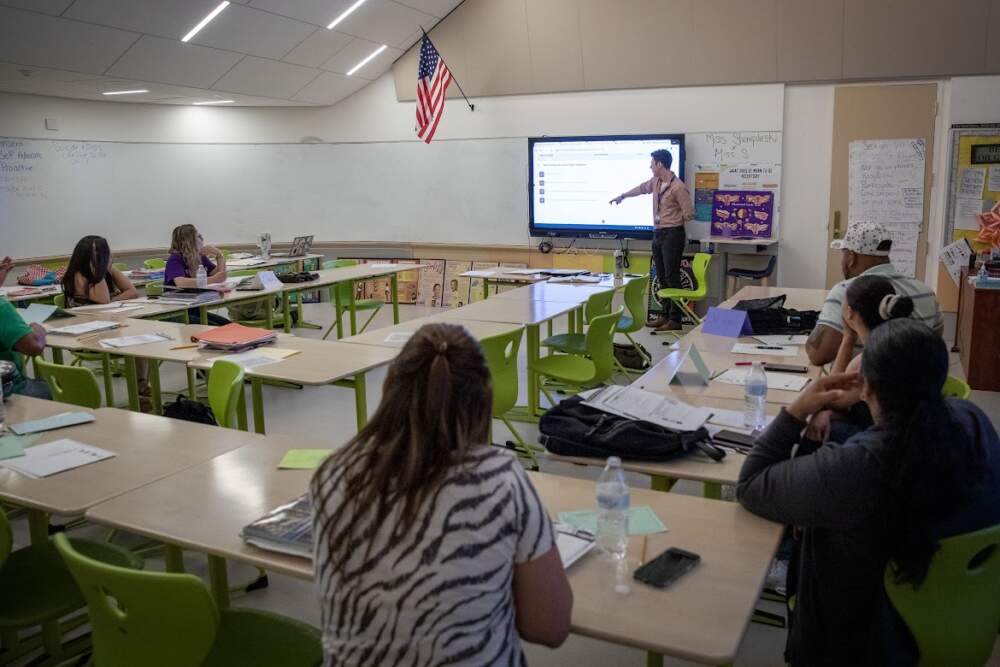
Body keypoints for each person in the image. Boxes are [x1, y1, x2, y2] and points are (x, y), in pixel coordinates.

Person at [738, 319, 1000, 665]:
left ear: (867, 386)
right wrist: (852, 407)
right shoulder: (973, 419)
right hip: (963, 619)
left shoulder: (860, 466)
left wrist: (797, 410)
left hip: (865, 639)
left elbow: (751, 483)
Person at [311, 323, 572, 665]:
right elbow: (549, 629)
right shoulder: (501, 480)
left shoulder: (333, 473)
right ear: (483, 402)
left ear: (390, 389)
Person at [806, 222, 943, 367]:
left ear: (851, 257)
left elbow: (818, 356)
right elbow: (935, 340)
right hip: (918, 384)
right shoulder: (926, 291)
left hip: (861, 384)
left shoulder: (846, 291)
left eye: (843, 253)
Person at [806, 275, 914, 442]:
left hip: (884, 442)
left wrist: (847, 337)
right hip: (909, 432)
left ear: (849, 312)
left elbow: (833, 395)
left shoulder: (869, 360)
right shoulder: (897, 342)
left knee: (812, 429)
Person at [61, 236, 151, 409]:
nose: (107, 256)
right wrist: (103, 272)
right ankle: (141, 389)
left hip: (107, 328)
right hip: (88, 337)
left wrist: (110, 271)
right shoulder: (80, 275)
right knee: (139, 343)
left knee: (141, 337)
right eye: (100, 253)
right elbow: (103, 301)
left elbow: (132, 292)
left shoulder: (101, 271)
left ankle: (141, 389)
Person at [610, 149, 694, 332]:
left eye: (652, 162)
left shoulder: (678, 187)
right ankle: (663, 316)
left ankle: (675, 319)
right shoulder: (656, 182)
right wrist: (622, 196)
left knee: (672, 276)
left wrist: (672, 220)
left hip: (672, 234)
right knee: (661, 276)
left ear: (660, 164)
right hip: (658, 233)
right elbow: (641, 188)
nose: (649, 165)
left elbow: (689, 213)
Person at [164, 224, 230, 326]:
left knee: (228, 325)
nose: (202, 238)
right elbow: (181, 283)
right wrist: (213, 279)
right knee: (216, 328)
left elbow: (219, 275)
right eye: (198, 236)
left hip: (194, 308)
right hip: (178, 312)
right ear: (189, 242)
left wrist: (219, 255)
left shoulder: (200, 257)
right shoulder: (175, 259)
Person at [0, 298, 50, 399]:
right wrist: (38, 331)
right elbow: (35, 347)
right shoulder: (2, 307)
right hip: (8, 391)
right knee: (67, 390)